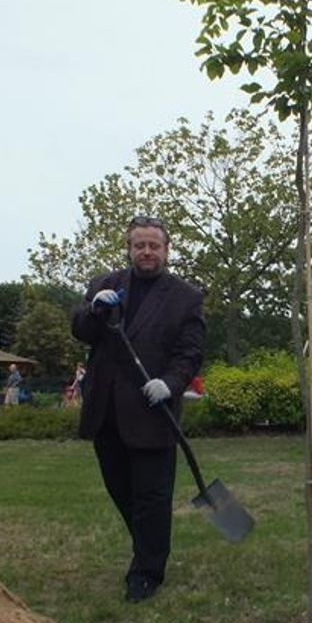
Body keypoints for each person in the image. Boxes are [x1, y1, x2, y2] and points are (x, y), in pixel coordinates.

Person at [71, 215, 205, 603]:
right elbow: (80, 330)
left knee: (152, 497)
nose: (146, 252)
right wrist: (94, 311)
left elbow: (190, 352)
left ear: (166, 250)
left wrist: (171, 383)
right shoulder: (104, 285)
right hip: (105, 411)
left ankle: (147, 571)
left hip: (152, 412)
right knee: (120, 489)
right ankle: (150, 543)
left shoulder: (185, 297)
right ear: (129, 248)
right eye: (139, 245)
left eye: (154, 246)